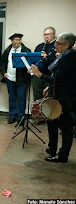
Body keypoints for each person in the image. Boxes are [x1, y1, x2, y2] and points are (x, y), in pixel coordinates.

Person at [30, 32, 76, 163]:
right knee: (51, 121)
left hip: (65, 98)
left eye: (58, 43)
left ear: (66, 45)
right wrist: (48, 88)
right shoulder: (64, 56)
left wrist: (39, 75)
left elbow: (59, 80)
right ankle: (52, 148)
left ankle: (62, 156)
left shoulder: (70, 58)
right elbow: (58, 76)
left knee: (65, 127)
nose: (55, 45)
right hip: (56, 94)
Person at [0, 33, 31, 125]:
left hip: (21, 79)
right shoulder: (8, 50)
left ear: (20, 40)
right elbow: (3, 63)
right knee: (12, 98)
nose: (16, 41)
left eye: (18, 39)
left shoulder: (26, 50)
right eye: (14, 40)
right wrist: (4, 73)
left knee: (21, 98)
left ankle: (21, 117)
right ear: (11, 41)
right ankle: (12, 116)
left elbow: (30, 63)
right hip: (10, 78)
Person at [32, 27, 57, 124]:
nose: (47, 36)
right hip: (38, 75)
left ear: (54, 34)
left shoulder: (57, 46)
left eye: (49, 34)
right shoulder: (39, 46)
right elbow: (34, 59)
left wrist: (46, 58)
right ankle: (39, 118)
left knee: (48, 98)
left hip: (49, 76)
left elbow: (55, 63)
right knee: (37, 97)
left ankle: (49, 119)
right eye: (45, 34)